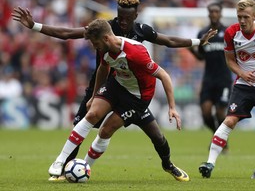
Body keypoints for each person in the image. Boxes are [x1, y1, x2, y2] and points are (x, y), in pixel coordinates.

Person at [12, 0, 217, 182]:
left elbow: (169, 42)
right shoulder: (103, 29)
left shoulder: (139, 37)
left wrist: (198, 41)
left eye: (127, 17)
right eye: (119, 16)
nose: (123, 21)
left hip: (138, 94)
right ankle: (64, 167)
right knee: (86, 119)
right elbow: (69, 34)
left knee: (154, 136)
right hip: (110, 84)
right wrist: (35, 26)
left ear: (135, 15)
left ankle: (168, 164)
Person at [47, 18, 186, 181]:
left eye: (95, 43)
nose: (94, 47)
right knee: (91, 115)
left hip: (137, 98)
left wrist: (172, 107)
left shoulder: (136, 53)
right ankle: (60, 161)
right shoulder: (104, 48)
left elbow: (164, 75)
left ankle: (167, 165)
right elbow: (103, 68)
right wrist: (94, 96)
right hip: (117, 85)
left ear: (105, 38)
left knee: (119, 132)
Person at [198, 0, 255, 179]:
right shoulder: (231, 33)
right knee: (229, 121)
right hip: (243, 86)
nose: (242, 20)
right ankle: (209, 163)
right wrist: (242, 73)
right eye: (240, 17)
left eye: (246, 17)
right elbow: (230, 60)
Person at [189, 2, 232, 152]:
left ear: (220, 13)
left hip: (224, 79)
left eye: (216, 11)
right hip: (208, 79)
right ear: (208, 14)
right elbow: (201, 57)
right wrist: (191, 50)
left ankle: (220, 140)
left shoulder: (228, 32)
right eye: (211, 11)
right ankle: (219, 137)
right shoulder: (202, 33)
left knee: (221, 111)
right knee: (206, 112)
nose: (214, 14)